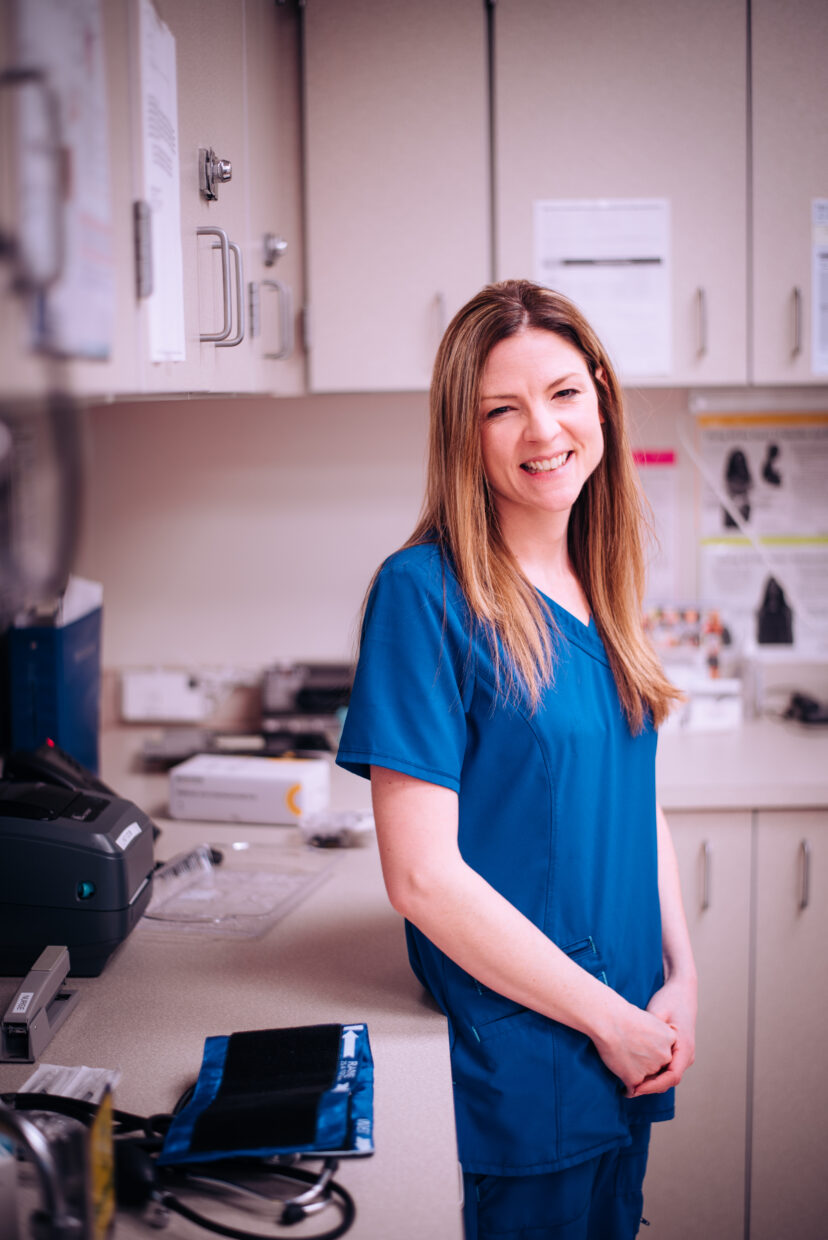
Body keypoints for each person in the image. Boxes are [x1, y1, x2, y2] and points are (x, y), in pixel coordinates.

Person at [336, 280, 697, 1240]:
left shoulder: (601, 578)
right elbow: (421, 878)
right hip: (538, 1051)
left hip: (632, 1031)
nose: (543, 429)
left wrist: (682, 976)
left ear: (601, 397)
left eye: (564, 392)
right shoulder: (424, 594)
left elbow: (633, 797)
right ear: (465, 431)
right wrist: (610, 1020)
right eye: (502, 408)